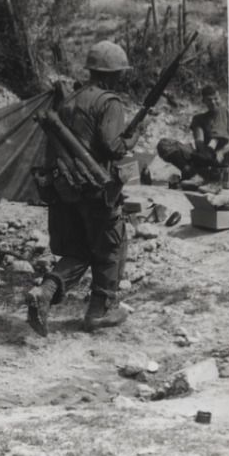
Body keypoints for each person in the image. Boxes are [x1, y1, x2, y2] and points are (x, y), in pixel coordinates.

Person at [27, 41, 140, 337]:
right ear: (113, 74)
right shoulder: (109, 101)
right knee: (110, 248)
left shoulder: (68, 100)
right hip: (96, 190)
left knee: (78, 251)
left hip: (67, 191)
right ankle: (98, 313)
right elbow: (113, 147)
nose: (120, 79)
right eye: (119, 73)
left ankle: (45, 292)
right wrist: (133, 137)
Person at [156, 85, 229, 187]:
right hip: (204, 155)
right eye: (209, 100)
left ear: (220, 98)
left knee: (221, 110)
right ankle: (192, 174)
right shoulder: (199, 118)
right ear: (204, 101)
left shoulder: (225, 112)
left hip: (223, 156)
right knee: (164, 143)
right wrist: (204, 153)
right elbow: (199, 141)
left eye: (215, 99)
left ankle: (199, 175)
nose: (213, 102)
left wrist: (220, 151)